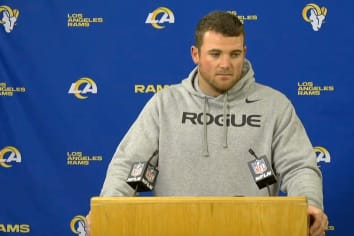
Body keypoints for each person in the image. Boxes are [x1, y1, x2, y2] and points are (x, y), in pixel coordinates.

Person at [86, 10, 328, 236]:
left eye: (235, 54)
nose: (225, 64)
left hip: (253, 229)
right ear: (196, 54)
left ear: (244, 52)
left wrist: (310, 203)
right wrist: (108, 209)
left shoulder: (274, 105)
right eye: (215, 54)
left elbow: (298, 167)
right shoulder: (165, 104)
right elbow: (130, 166)